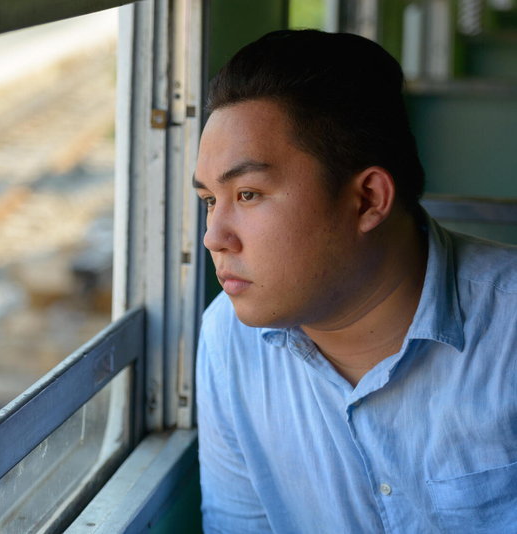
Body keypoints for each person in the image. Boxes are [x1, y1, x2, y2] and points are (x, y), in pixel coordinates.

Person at [194, 29, 517, 534]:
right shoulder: (229, 341)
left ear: (367, 199)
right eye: (210, 200)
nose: (214, 237)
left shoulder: (509, 331)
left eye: (250, 194)